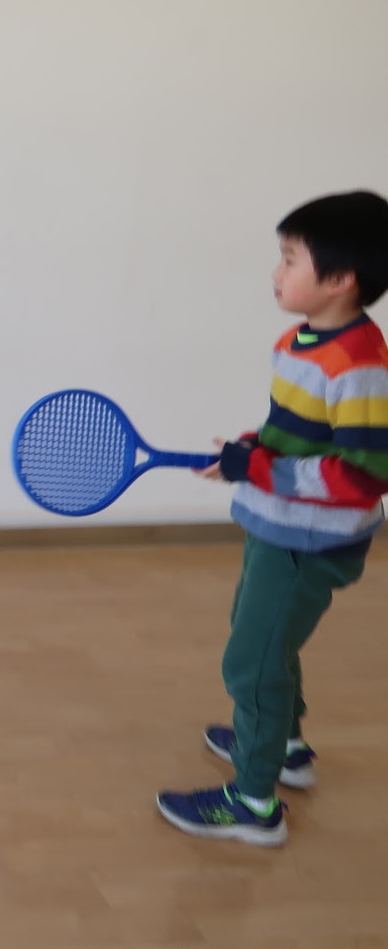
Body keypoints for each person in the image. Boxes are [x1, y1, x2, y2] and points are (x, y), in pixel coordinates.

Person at [157, 190, 388, 844]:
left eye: (290, 259)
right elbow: (296, 432)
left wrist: (256, 467)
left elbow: (364, 475)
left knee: (251, 662)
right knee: (265, 638)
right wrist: (251, 449)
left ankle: (254, 802)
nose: (275, 273)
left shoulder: (360, 365)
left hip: (311, 540)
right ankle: (284, 745)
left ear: (340, 280)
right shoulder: (300, 341)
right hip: (279, 524)